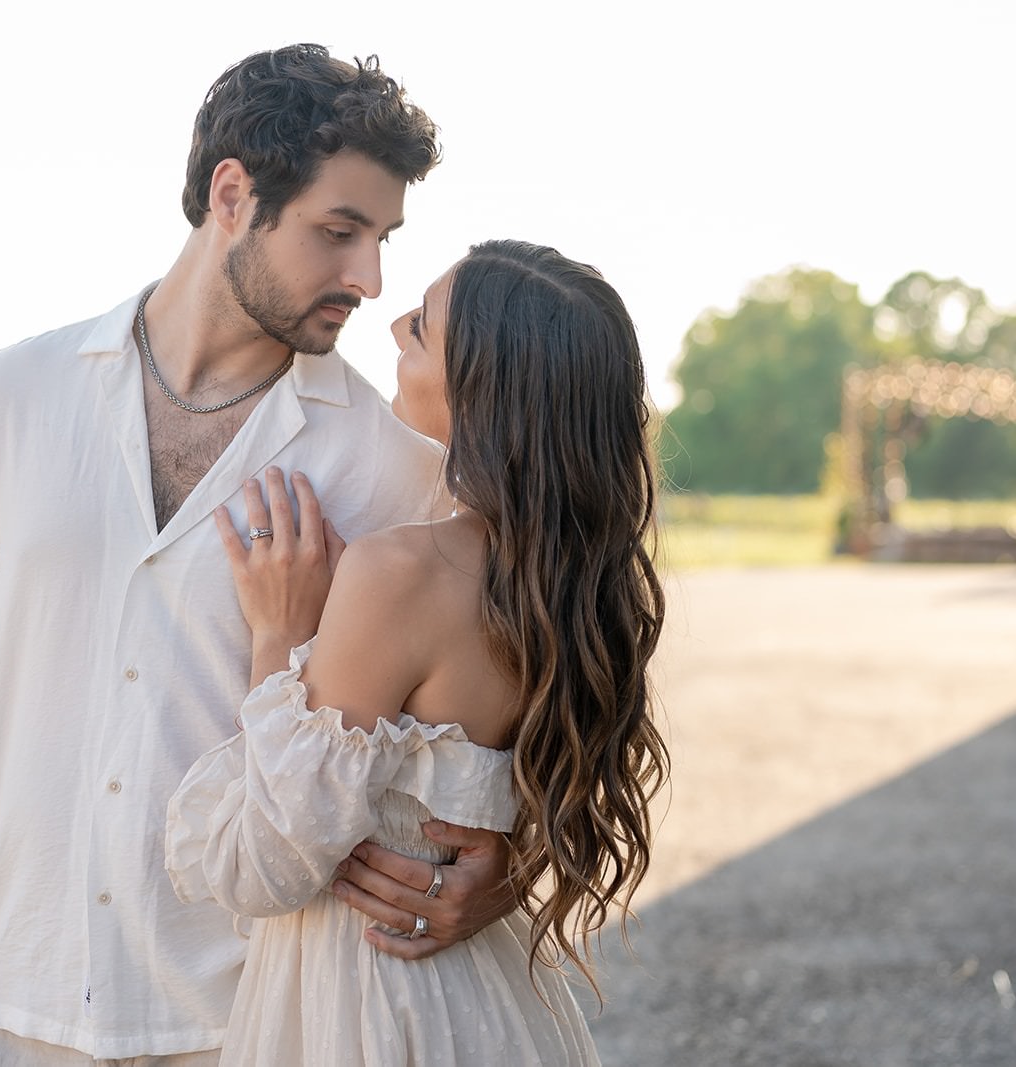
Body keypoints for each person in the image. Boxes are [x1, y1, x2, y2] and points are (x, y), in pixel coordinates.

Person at [0, 45, 519, 1065]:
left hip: (241, 1024)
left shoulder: (397, 467)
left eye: (383, 237)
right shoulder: (7, 396)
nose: (368, 276)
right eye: (338, 231)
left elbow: (547, 664)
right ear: (233, 193)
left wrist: (524, 861)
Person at [166, 239, 669, 1065]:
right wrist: (507, 871)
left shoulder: (400, 571)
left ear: (483, 388)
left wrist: (279, 636)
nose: (395, 322)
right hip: (494, 1005)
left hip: (368, 1008)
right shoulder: (577, 586)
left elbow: (263, 865)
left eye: (424, 328)